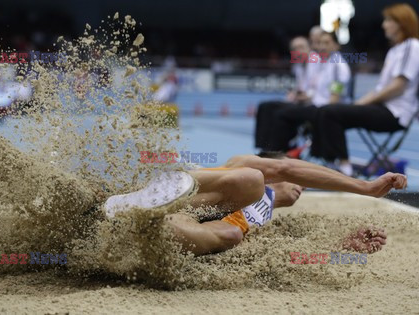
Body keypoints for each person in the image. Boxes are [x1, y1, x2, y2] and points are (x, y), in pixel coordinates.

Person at [104, 153, 406, 256]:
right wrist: (365, 187)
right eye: (301, 182)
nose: (302, 187)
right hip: (192, 197)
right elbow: (288, 169)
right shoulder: (243, 168)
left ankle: (140, 228)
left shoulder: (263, 219)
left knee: (232, 236)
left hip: (186, 226)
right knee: (250, 178)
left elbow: (277, 256)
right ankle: (143, 202)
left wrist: (341, 247)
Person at [311, 3, 419, 176]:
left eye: (388, 20)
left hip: (395, 114)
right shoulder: (394, 51)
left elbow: (398, 87)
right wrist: (357, 104)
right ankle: (328, 163)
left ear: (401, 23)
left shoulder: (411, 46)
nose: (383, 25)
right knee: (325, 112)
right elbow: (380, 89)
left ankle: (343, 170)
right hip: (382, 108)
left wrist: (362, 104)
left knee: (329, 112)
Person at [256, 31, 351, 152]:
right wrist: (303, 96)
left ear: (336, 46)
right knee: (267, 107)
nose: (322, 47)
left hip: (323, 110)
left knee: (282, 113)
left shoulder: (338, 66)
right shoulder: (325, 64)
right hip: (314, 105)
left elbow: (334, 98)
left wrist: (322, 113)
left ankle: (276, 153)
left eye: (327, 43)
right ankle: (265, 149)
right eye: (320, 43)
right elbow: (315, 90)